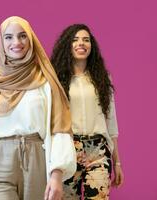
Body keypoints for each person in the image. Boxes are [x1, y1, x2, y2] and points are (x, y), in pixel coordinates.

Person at [0, 16, 76, 200]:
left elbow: (60, 130)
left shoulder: (45, 83)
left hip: (36, 159)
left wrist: (56, 174)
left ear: (31, 39)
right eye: (8, 37)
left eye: (22, 36)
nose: (16, 42)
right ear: (1, 41)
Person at [51, 24, 124, 199]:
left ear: (92, 46)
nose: (81, 43)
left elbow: (111, 121)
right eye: (75, 40)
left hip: (98, 149)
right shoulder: (57, 80)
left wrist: (117, 162)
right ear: (67, 45)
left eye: (86, 40)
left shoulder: (102, 79)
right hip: (68, 149)